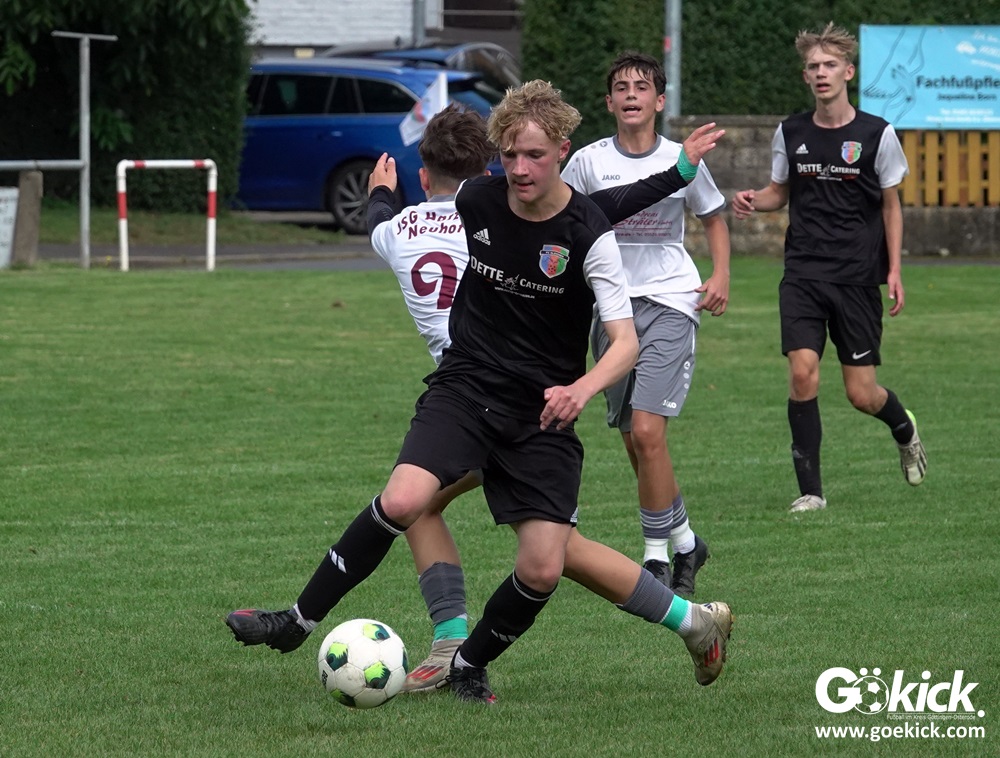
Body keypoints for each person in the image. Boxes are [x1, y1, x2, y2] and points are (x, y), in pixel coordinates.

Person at [226, 83, 733, 704]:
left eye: (535, 156)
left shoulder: (588, 232)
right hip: (465, 389)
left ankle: (467, 660)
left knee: (546, 563)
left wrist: (582, 387)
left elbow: (624, 342)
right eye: (510, 155)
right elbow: (410, 223)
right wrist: (384, 198)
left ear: (562, 152)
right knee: (406, 500)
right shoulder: (476, 200)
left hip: (541, 411)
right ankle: (297, 622)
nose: (520, 169)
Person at [363, 104, 726, 692]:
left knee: (419, 507)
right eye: (513, 156)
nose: (521, 167)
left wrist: (382, 193)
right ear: (492, 164)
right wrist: (678, 173)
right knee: (556, 550)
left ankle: (453, 645)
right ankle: (692, 622)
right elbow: (607, 206)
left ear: (423, 177)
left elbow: (378, 219)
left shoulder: (410, 227)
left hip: (489, 405)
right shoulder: (511, 207)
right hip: (507, 401)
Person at [731, 23, 927, 513]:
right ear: (806, 76)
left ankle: (903, 427)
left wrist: (895, 270)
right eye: (814, 67)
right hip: (802, 272)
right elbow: (780, 192)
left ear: (848, 72)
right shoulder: (791, 131)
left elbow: (891, 206)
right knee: (802, 373)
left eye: (830, 65)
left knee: (862, 394)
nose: (821, 73)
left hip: (857, 277)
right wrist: (755, 199)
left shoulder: (877, 134)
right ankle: (811, 492)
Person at [561, 52, 731, 595]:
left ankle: (656, 557)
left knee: (648, 431)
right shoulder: (587, 162)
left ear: (659, 100)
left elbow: (713, 216)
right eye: (621, 87)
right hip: (610, 309)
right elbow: (561, 221)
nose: (631, 94)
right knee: (636, 443)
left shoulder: (683, 158)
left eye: (641, 86)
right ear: (608, 102)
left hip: (672, 300)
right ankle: (686, 541)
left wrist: (721, 274)